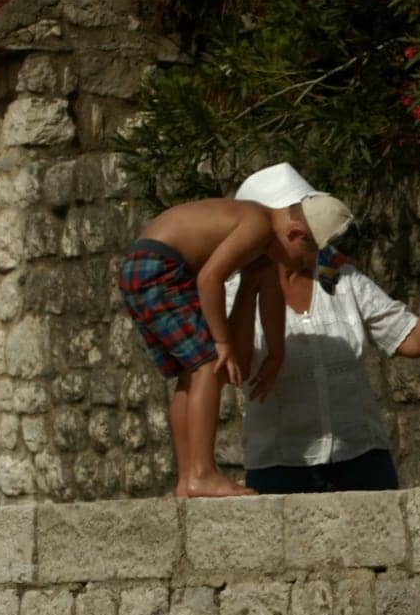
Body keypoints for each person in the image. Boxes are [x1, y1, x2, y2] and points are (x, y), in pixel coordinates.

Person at [222, 163, 420, 493]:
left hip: (362, 459)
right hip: (280, 466)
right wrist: (251, 284)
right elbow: (233, 368)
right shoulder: (231, 294)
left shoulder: (342, 281)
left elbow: (417, 342)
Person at [119, 192, 353, 497]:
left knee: (190, 374)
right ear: (296, 235)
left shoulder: (268, 242)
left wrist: (276, 353)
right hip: (160, 266)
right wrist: (221, 341)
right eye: (306, 259)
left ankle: (187, 479)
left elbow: (270, 293)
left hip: (144, 266)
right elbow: (209, 279)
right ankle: (202, 473)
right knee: (207, 365)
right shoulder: (257, 224)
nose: (303, 268)